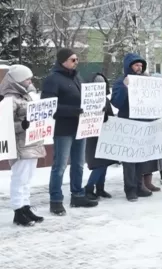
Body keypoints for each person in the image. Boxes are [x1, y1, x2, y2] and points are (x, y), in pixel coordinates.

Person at [41, 48, 97, 216]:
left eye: (77, 59)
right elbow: (48, 106)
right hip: (63, 129)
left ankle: (77, 195)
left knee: (79, 164)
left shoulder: (77, 77)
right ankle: (56, 200)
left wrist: (94, 106)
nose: (76, 62)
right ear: (63, 61)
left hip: (80, 127)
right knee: (60, 165)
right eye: (73, 59)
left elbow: (84, 99)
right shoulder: (52, 80)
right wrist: (73, 111)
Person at [111, 53, 162, 201]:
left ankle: (139, 185)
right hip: (128, 125)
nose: (139, 68)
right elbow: (116, 103)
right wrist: (125, 88)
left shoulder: (146, 82)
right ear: (129, 66)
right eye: (136, 65)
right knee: (129, 160)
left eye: (141, 65)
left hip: (144, 125)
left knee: (141, 157)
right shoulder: (121, 82)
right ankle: (130, 189)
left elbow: (155, 103)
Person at [0, 65, 46, 226]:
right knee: (20, 178)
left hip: (31, 143)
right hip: (20, 146)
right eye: (27, 79)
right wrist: (23, 126)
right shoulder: (9, 99)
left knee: (27, 178)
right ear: (18, 80)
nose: (30, 81)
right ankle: (18, 210)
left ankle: (25, 207)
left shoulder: (25, 96)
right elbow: (4, 124)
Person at [84, 73, 116, 201]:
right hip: (93, 136)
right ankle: (89, 188)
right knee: (99, 164)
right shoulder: (89, 100)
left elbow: (110, 115)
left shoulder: (105, 99)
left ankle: (100, 188)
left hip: (105, 135)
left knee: (104, 163)